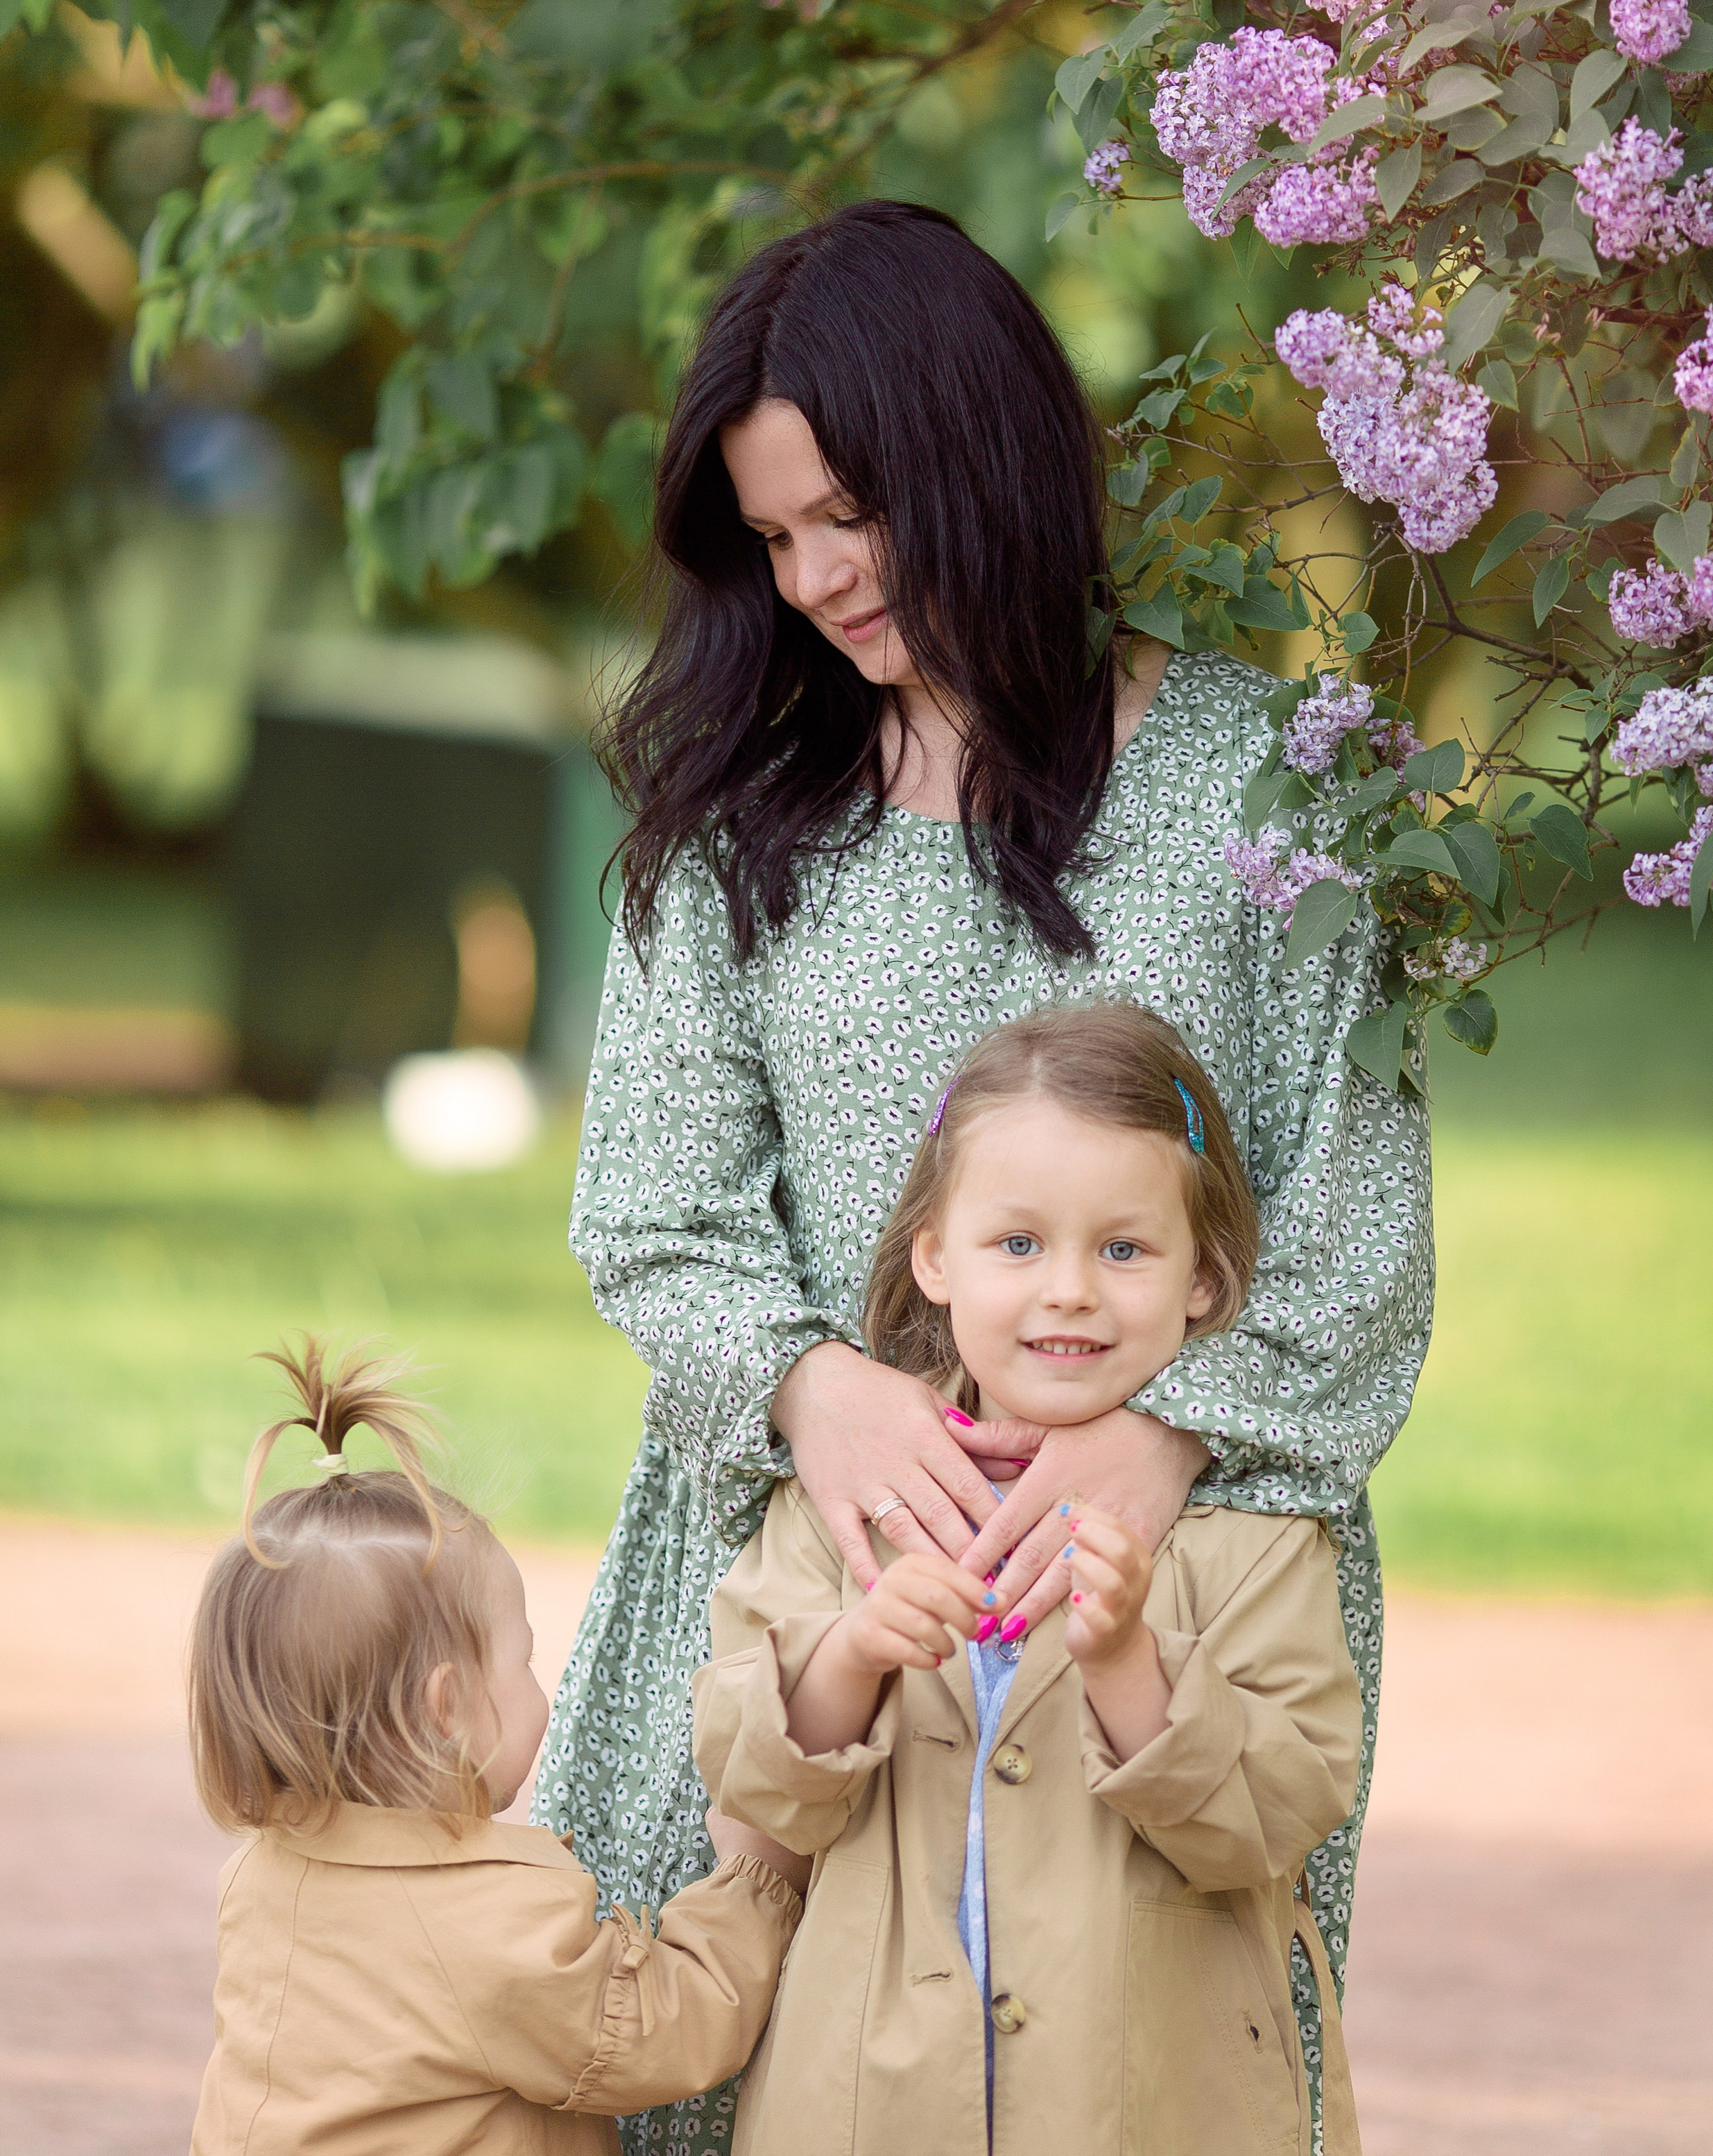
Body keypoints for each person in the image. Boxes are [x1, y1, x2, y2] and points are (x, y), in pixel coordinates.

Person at [535, 198, 1432, 2156]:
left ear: (980, 452)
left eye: (850, 512)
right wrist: (820, 1398)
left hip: (1181, 1589)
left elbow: (1355, 1225)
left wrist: (1159, 1445)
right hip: (810, 1593)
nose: (817, 579)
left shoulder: (1263, 787)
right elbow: (655, 1218)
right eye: (775, 537)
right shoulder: (736, 829)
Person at [694, 1002, 1363, 2156]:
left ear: (1203, 1280)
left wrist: (1128, 1665)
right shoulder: (848, 1510)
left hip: (1143, 2107)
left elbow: (1277, 1818)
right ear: (935, 1259)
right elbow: (750, 1781)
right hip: (869, 2109)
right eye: (1019, 1245)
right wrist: (852, 1654)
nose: (1070, 1290)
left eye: (1124, 1250)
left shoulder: (1255, 1537)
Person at [187, 1340, 807, 2156]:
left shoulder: (260, 1876)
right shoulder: (493, 1921)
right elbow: (665, 2033)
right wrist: (755, 1877)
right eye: (522, 1662)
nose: (536, 1687)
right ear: (447, 1709)